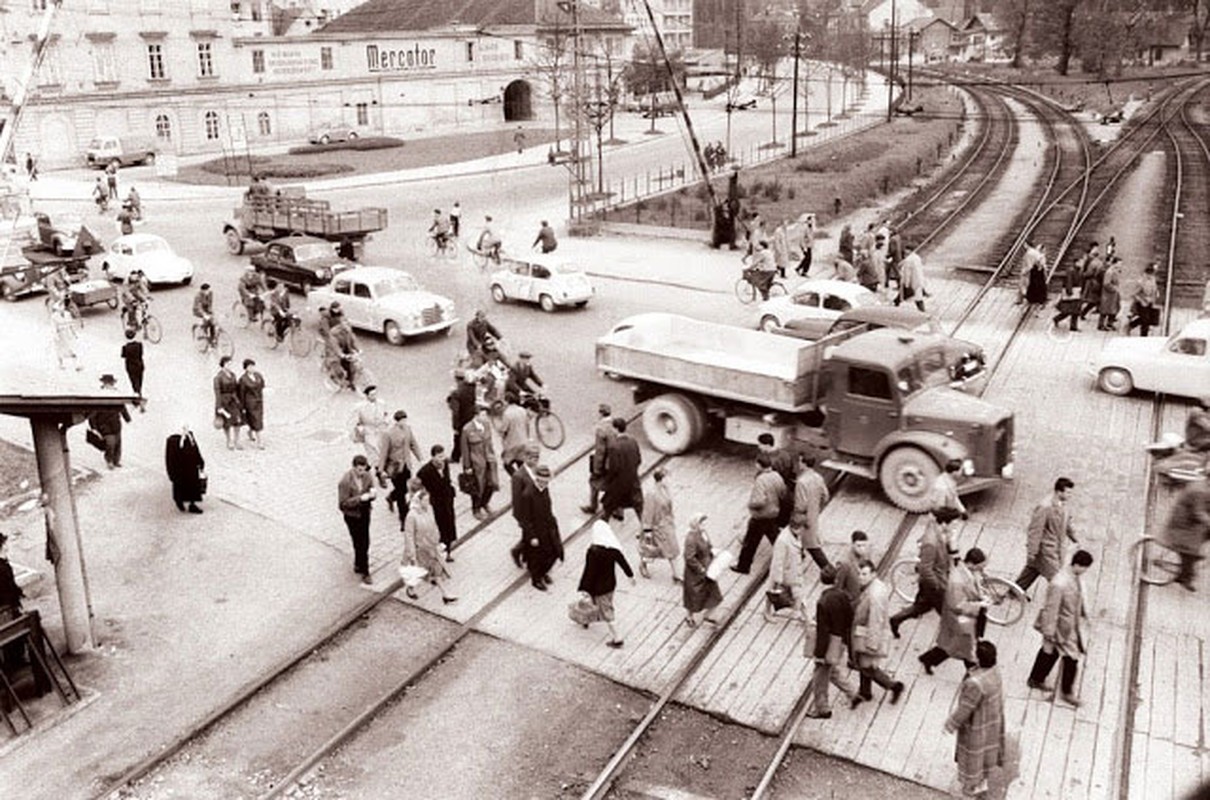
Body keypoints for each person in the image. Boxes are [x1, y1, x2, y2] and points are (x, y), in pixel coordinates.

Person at [1027, 549, 1093, 706]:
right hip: (1061, 626)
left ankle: (1036, 678)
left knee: (1050, 652)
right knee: (1071, 658)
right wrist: (1049, 631)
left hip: (1069, 625)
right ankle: (1067, 692)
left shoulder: (1073, 577)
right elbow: (1051, 608)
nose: (1085, 572)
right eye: (1084, 568)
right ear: (1077, 565)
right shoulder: (1059, 583)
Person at [944, 640, 1006, 799]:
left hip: (977, 725)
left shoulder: (975, 683)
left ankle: (971, 789)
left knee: (973, 757)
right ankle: (982, 782)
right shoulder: (995, 671)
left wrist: (951, 724)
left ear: (978, 659)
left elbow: (966, 708)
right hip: (992, 721)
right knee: (987, 753)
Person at [890, 508, 961, 638]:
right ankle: (954, 636)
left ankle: (896, 620)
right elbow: (925, 568)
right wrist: (937, 586)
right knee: (947, 611)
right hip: (935, 584)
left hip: (936, 580)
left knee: (921, 607)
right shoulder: (931, 542)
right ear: (944, 523)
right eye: (954, 524)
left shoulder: (940, 533)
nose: (955, 528)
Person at [919, 548, 990, 674]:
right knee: (965, 648)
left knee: (955, 646)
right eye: (980, 567)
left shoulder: (968, 572)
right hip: (961, 620)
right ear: (971, 564)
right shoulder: (957, 581)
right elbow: (956, 604)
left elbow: (974, 588)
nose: (982, 570)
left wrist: (981, 596)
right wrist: (979, 605)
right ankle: (973, 672)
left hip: (966, 620)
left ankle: (928, 659)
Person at [806, 572, 862, 718]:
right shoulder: (843, 596)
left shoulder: (823, 601)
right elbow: (850, 618)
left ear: (821, 581)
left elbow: (823, 631)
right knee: (831, 671)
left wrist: (819, 653)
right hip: (841, 640)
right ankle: (853, 694)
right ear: (836, 580)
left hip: (829, 643)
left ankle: (822, 709)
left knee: (820, 678)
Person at [851, 559, 905, 704]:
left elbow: (875, 620)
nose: (860, 577)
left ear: (873, 574)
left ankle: (893, 686)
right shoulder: (876, 587)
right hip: (867, 632)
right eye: (859, 574)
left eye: (864, 574)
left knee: (867, 667)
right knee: (864, 664)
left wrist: (872, 644)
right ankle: (865, 692)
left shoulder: (874, 595)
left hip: (869, 635)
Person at [576, 520, 636, 647]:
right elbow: (623, 562)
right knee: (603, 605)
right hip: (610, 585)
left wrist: (584, 587)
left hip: (598, 588)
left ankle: (617, 638)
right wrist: (630, 576)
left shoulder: (593, 551)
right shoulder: (613, 548)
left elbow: (589, 571)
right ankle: (588, 620)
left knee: (607, 611)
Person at [1015, 477, 1078, 593]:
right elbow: (1035, 530)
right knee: (1057, 578)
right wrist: (1032, 551)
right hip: (1045, 550)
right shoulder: (1045, 507)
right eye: (1068, 492)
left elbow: (1067, 523)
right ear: (1059, 492)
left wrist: (1075, 539)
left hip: (1056, 548)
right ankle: (1060, 602)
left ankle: (1016, 591)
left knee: (1032, 569)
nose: (1070, 495)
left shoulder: (1064, 505)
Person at [402, 478, 458, 603]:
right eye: (425, 500)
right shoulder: (411, 516)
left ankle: (445, 594)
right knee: (416, 572)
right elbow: (409, 536)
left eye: (428, 500)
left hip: (431, 547)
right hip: (419, 550)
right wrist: (411, 554)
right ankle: (410, 589)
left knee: (436, 571)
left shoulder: (429, 510)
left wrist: (438, 542)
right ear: (419, 501)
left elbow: (434, 526)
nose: (428, 502)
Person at [733, 452, 786, 575]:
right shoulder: (777, 476)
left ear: (759, 465)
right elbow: (783, 493)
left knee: (750, 543)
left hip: (760, 516)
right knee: (776, 538)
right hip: (773, 513)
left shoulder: (761, 479)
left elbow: (759, 501)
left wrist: (750, 504)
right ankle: (792, 556)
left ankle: (743, 566)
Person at [1161, 477, 1210, 591]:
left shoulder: (1203, 484)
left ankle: (1194, 555)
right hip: (1184, 525)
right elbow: (1198, 512)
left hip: (1190, 522)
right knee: (1189, 552)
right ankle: (1184, 578)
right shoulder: (1200, 490)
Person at [379, 409, 423, 528]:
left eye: (405, 420)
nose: (404, 422)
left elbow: (413, 444)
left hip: (406, 465)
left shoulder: (408, 429)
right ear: (397, 421)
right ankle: (403, 518)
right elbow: (384, 452)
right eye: (402, 420)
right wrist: (381, 470)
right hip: (395, 467)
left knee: (404, 489)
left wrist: (420, 458)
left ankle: (390, 497)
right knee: (401, 493)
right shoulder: (388, 434)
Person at [790, 453, 833, 576]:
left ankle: (829, 571)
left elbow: (800, 505)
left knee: (812, 546)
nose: (798, 464)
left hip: (803, 519)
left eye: (800, 461)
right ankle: (796, 562)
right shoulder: (818, 477)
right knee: (801, 542)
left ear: (803, 463)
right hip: (814, 515)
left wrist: (796, 515)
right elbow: (825, 496)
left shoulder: (801, 482)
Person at [521, 464, 562, 590]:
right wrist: (532, 536)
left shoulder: (545, 489)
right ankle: (536, 578)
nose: (545, 484)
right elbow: (525, 519)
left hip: (547, 527)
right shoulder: (528, 494)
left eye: (547, 481)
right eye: (542, 481)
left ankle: (543, 572)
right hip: (536, 532)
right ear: (537, 479)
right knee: (536, 557)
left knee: (554, 553)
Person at [338, 455, 376, 584]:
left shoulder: (367, 475)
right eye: (359, 470)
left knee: (365, 541)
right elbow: (343, 504)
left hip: (364, 512)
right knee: (358, 540)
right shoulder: (345, 481)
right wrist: (359, 499)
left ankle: (360, 564)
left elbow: (371, 486)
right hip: (352, 516)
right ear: (353, 468)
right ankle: (365, 571)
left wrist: (372, 494)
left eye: (364, 469)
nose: (362, 472)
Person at [417, 445, 458, 562]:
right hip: (437, 502)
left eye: (443, 456)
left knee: (450, 524)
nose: (442, 458)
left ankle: (448, 551)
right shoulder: (426, 470)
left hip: (448, 499)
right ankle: (440, 551)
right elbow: (419, 482)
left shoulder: (445, 465)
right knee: (441, 526)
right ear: (433, 457)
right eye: (439, 456)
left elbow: (447, 480)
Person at [639, 468, 680, 581]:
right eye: (668, 478)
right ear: (661, 479)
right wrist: (647, 531)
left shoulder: (665, 490)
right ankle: (643, 564)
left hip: (667, 525)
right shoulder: (651, 494)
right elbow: (648, 513)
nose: (670, 480)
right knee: (651, 549)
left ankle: (676, 574)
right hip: (657, 527)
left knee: (672, 549)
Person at [682, 512, 723, 628]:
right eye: (702, 524)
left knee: (715, 595)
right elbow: (689, 557)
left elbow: (708, 546)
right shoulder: (691, 538)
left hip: (708, 569)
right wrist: (700, 568)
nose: (705, 526)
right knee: (693, 597)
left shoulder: (703, 533)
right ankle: (689, 616)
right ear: (696, 524)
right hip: (695, 573)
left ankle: (708, 614)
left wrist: (714, 552)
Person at [460, 404, 499, 519]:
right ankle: (476, 509)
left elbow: (490, 442)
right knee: (477, 487)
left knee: (491, 484)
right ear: (476, 416)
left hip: (489, 461)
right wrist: (467, 466)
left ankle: (485, 503)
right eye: (483, 414)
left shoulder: (486, 425)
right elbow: (465, 449)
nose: (486, 416)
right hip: (476, 464)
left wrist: (493, 456)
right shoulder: (467, 430)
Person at [601, 417, 643, 523]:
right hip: (633, 480)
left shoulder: (614, 446)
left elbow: (613, 468)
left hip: (619, 483)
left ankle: (604, 525)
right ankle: (645, 527)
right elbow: (638, 460)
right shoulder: (633, 441)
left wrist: (607, 481)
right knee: (638, 506)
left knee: (608, 505)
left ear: (615, 429)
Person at [509, 442, 543, 568]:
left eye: (537, 458)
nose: (534, 461)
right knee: (531, 537)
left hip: (536, 512)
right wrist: (521, 519)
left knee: (530, 537)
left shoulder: (537, 470)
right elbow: (517, 501)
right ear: (524, 457)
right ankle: (528, 561)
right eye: (531, 458)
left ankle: (518, 552)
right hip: (526, 515)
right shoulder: (518, 476)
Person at [764, 523, 805, 622]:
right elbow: (778, 561)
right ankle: (766, 612)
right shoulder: (783, 540)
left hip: (793, 570)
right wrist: (778, 579)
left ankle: (802, 613)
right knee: (773, 594)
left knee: (799, 593)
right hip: (784, 572)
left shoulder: (795, 535)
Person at [89, 374, 131, 469]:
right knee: (110, 443)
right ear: (103, 383)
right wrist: (94, 427)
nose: (109, 385)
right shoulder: (99, 395)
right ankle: (109, 461)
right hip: (104, 424)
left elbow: (122, 406)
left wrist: (127, 418)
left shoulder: (116, 394)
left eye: (110, 383)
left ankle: (116, 461)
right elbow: (93, 412)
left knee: (118, 443)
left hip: (116, 423)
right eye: (107, 383)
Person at [352, 385, 391, 483]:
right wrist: (361, 429)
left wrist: (386, 421)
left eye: (375, 394)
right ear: (367, 396)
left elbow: (386, 414)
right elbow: (357, 421)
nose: (374, 396)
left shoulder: (382, 403)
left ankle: (367, 468)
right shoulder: (360, 407)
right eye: (372, 395)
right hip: (369, 432)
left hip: (381, 431)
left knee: (380, 453)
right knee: (374, 454)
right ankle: (380, 475)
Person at [581, 403, 615, 515]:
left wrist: (597, 469)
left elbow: (600, 452)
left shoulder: (601, 429)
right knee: (614, 484)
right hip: (615, 461)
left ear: (600, 414)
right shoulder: (614, 424)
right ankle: (618, 511)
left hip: (605, 463)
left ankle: (593, 506)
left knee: (593, 483)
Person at [165, 424, 206, 514]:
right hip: (179, 467)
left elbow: (195, 449)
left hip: (191, 465)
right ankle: (179, 500)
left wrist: (200, 461)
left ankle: (192, 503)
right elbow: (170, 458)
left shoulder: (189, 436)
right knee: (179, 484)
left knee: (193, 484)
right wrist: (171, 472)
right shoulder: (173, 441)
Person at [494, 393, 533, 476]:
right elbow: (527, 425)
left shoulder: (507, 414)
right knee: (521, 463)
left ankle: (517, 479)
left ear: (507, 401)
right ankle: (525, 480)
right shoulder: (522, 410)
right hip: (523, 441)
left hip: (512, 444)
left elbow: (503, 429)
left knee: (507, 464)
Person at [447, 366, 477, 462]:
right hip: (471, 417)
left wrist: (455, 426)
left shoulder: (456, 393)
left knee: (458, 438)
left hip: (462, 419)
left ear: (456, 379)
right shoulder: (471, 388)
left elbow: (455, 412)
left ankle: (455, 457)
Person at [213, 356, 243, 450]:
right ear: (223, 365)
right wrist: (219, 406)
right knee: (227, 423)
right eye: (228, 364)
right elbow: (217, 393)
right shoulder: (218, 377)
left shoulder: (233, 375)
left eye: (230, 363)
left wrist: (239, 400)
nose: (230, 365)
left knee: (237, 421)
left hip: (234, 400)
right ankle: (229, 440)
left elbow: (237, 388)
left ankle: (236, 440)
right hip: (224, 401)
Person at [329, 308, 361, 388]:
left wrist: (358, 349)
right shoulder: (334, 333)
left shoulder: (348, 330)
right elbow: (335, 346)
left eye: (347, 322)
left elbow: (353, 340)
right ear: (340, 324)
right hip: (336, 352)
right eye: (344, 322)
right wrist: (341, 355)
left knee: (352, 365)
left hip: (347, 349)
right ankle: (334, 377)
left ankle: (351, 382)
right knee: (340, 366)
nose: (346, 324)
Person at [238, 359, 266, 449]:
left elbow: (262, 385)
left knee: (257, 419)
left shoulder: (258, 375)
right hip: (249, 402)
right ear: (246, 368)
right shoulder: (243, 379)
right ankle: (260, 442)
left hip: (259, 401)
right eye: (250, 366)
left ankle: (250, 432)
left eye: (253, 366)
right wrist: (242, 406)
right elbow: (241, 393)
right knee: (256, 419)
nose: (252, 368)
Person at [1126, 263, 1160, 336]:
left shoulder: (1152, 280)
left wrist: (1156, 293)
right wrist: (1141, 300)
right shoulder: (1141, 282)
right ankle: (1143, 335)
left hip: (1150, 302)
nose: (1151, 276)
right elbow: (1134, 294)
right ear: (1147, 274)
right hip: (1142, 304)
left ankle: (1131, 325)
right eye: (1150, 274)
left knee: (1146, 319)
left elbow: (1154, 288)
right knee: (1145, 320)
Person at [51, 303, 82, 371]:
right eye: (59, 308)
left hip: (68, 333)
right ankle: (61, 364)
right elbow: (53, 327)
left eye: (62, 307)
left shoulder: (67, 314)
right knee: (60, 350)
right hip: (61, 334)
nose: (61, 309)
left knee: (73, 349)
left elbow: (71, 324)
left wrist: (74, 333)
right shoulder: (54, 317)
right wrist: (56, 336)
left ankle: (76, 365)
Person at [121, 329, 145, 411]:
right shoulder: (139, 345)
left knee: (134, 382)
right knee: (139, 381)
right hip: (139, 365)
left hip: (130, 367)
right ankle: (139, 394)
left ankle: (137, 397)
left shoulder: (125, 347)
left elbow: (123, 356)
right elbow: (141, 354)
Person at [897, 245, 927, 311]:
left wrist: (906, 284)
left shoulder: (908, 260)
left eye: (906, 250)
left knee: (916, 297)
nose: (905, 251)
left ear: (909, 250)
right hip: (919, 279)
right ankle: (922, 309)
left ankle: (896, 304)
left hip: (912, 281)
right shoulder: (917, 257)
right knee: (918, 296)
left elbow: (907, 273)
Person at [1023, 242, 1049, 312]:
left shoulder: (1037, 255)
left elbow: (1039, 265)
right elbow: (1042, 265)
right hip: (1037, 272)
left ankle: (1034, 300)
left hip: (1036, 272)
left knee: (1035, 286)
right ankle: (1037, 300)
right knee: (1037, 286)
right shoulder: (1041, 256)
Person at [1098, 257, 1122, 330]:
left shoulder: (1115, 271)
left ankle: (1110, 323)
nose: (1121, 265)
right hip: (1108, 295)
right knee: (1105, 310)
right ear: (1115, 263)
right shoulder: (1109, 272)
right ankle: (1101, 325)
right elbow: (1106, 283)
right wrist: (1114, 289)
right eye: (1120, 263)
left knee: (1114, 309)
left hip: (1113, 295)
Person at [795, 213, 816, 277]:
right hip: (805, 246)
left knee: (807, 258)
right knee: (808, 259)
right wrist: (804, 248)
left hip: (809, 245)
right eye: (811, 220)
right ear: (808, 220)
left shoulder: (811, 227)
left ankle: (798, 268)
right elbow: (802, 238)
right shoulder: (805, 228)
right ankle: (804, 271)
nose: (813, 222)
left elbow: (811, 237)